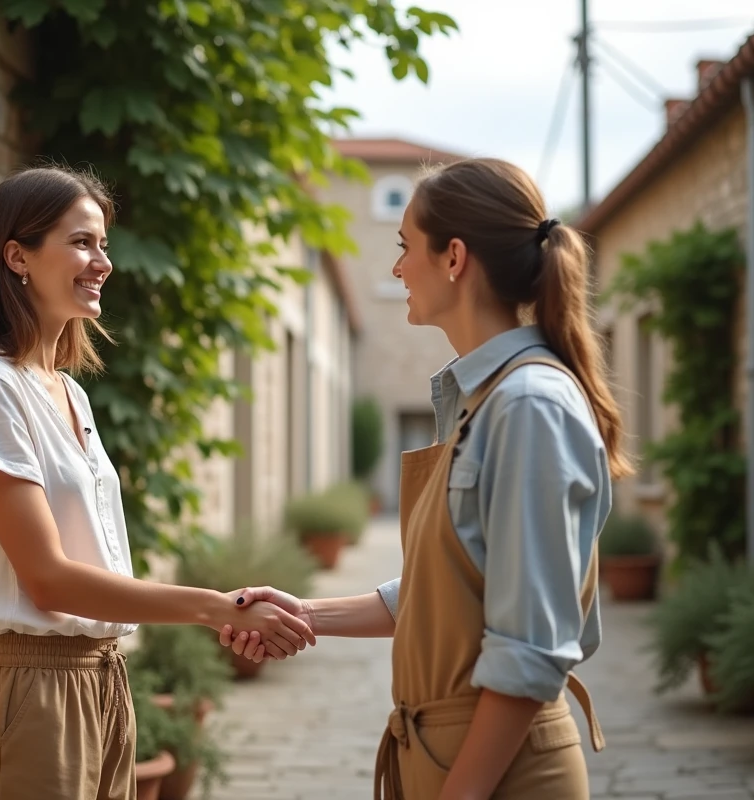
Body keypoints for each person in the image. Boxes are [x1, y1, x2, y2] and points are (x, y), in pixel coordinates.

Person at [219, 157, 633, 799]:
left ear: (454, 257)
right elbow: (451, 585)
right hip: (449, 758)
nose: (395, 268)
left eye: (404, 247)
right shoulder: (488, 399)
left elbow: (531, 648)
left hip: (496, 771)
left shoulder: (527, 407)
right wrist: (305, 613)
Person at [0, 166, 315, 800]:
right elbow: (46, 578)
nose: (102, 262)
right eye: (81, 242)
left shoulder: (71, 393)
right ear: (17, 256)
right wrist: (216, 608)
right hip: (33, 691)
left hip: (101, 681)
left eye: (103, 244)